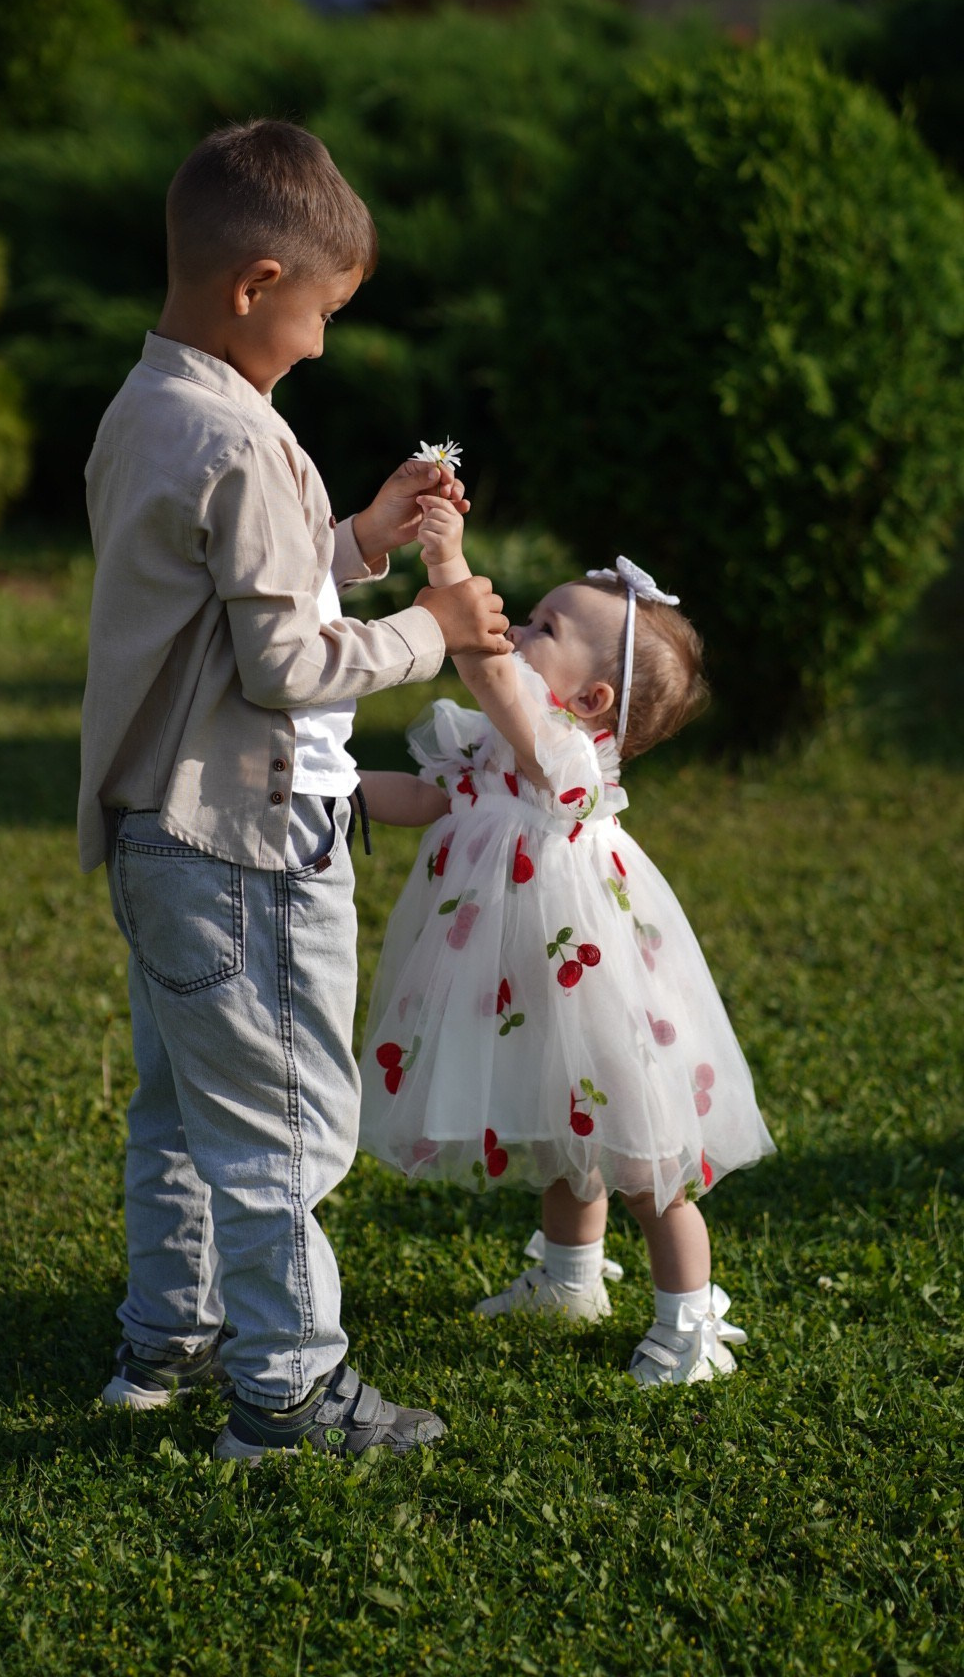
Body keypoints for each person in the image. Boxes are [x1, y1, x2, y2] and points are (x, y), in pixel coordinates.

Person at [78, 120, 510, 1460]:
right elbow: (284, 665)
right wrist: (435, 629)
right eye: (321, 313)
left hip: (162, 835)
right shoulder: (250, 445)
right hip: (251, 846)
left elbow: (227, 597)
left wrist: (360, 542)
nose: (324, 343)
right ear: (257, 287)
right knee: (280, 1126)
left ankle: (172, 1336)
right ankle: (284, 1395)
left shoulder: (147, 409)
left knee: (182, 1106)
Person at [357, 495, 775, 1386]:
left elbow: (488, 675)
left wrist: (448, 573)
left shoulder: (566, 756)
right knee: (565, 1121)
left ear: (590, 701)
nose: (519, 633)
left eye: (542, 627)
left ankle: (689, 1324)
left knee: (641, 1152)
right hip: (520, 971)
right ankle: (570, 1276)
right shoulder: (504, 749)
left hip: (589, 972)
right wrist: (342, 790)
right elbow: (432, 800)